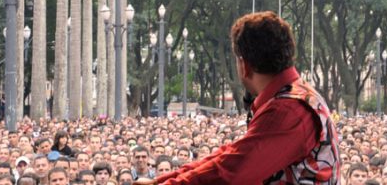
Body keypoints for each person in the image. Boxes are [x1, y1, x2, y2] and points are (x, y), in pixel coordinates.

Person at [135, 11, 340, 184]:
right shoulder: (297, 97)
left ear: (244, 65)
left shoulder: (288, 109)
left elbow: (231, 172)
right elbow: (230, 155)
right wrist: (161, 181)